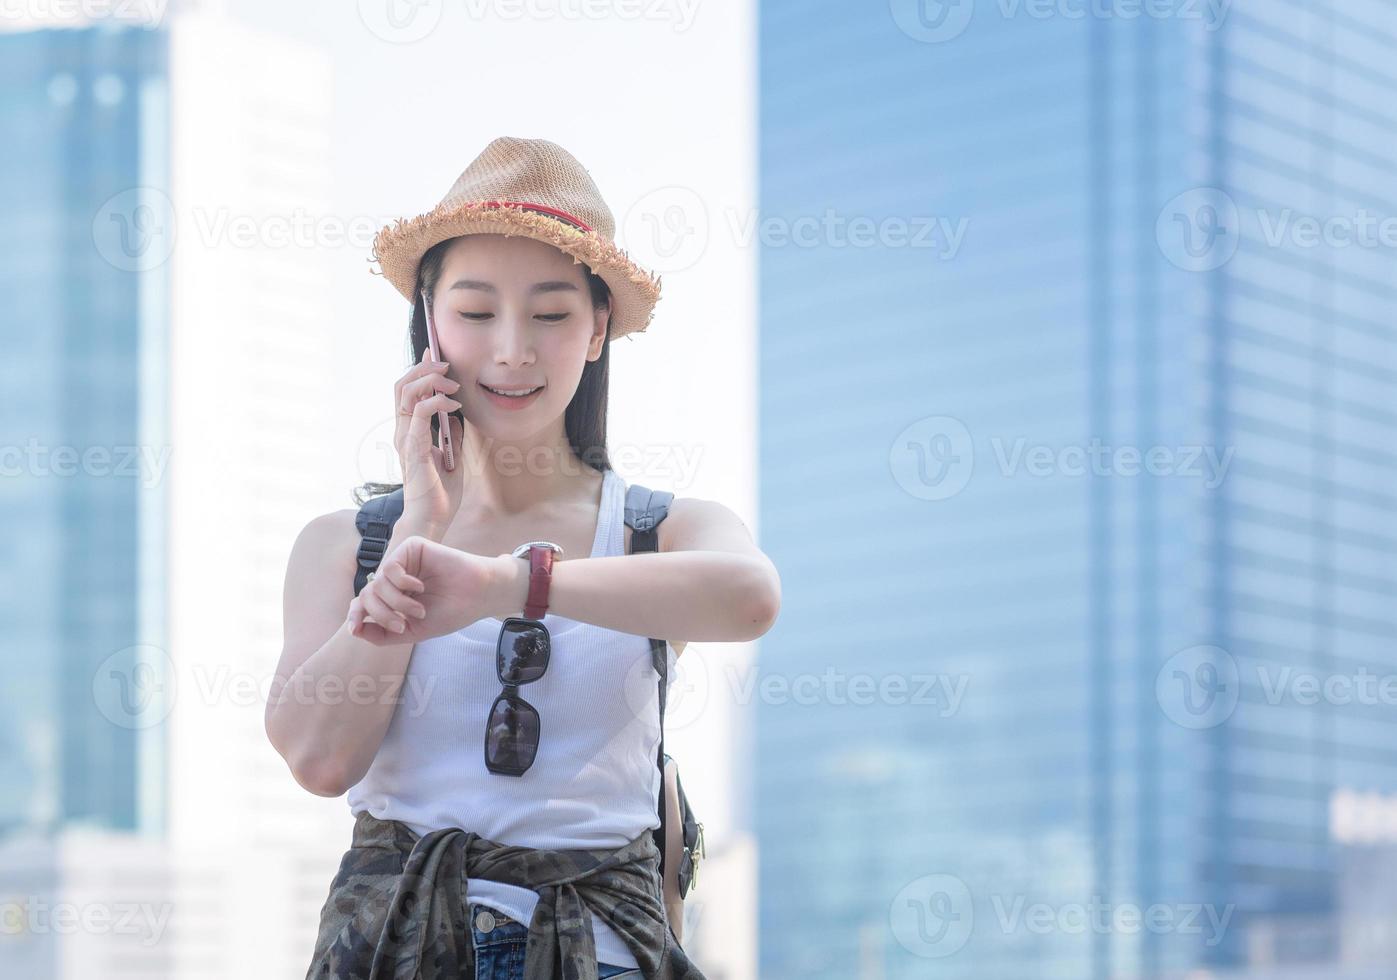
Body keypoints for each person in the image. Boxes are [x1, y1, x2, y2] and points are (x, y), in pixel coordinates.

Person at [265, 137, 781, 980]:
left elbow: (750, 598)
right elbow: (319, 761)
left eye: (549, 315)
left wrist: (510, 583)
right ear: (428, 322)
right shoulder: (346, 543)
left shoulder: (658, 529)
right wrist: (418, 525)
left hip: (600, 955)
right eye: (474, 313)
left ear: (597, 329)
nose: (511, 348)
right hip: (398, 950)